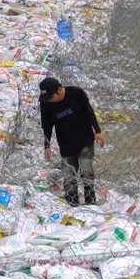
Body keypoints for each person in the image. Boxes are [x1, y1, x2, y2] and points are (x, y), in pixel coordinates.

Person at [39, 76, 106, 206]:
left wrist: (97, 131)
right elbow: (46, 125)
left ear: (59, 90)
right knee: (69, 176)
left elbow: (89, 112)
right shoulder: (46, 103)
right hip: (66, 144)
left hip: (85, 140)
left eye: (50, 97)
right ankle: (72, 204)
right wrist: (46, 145)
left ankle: (90, 203)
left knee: (86, 171)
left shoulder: (77, 94)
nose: (49, 101)